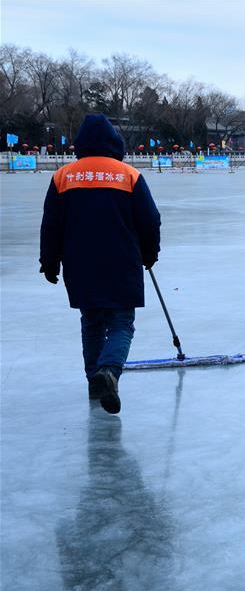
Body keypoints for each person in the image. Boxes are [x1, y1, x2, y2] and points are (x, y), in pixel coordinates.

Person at [40, 114, 161, 415]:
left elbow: (51, 224)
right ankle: (108, 371)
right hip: (122, 261)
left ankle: (95, 380)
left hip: (80, 264)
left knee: (91, 322)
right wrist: (150, 253)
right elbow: (149, 220)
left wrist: (50, 261)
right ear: (113, 143)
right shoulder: (128, 175)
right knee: (121, 323)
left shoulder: (64, 176)